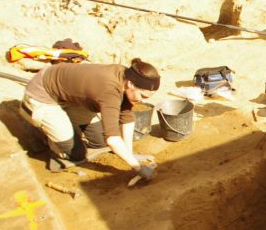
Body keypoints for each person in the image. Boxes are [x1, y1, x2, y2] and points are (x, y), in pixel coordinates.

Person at [20, 58, 161, 181]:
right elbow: (112, 139)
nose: (142, 101)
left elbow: (126, 117)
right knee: (76, 153)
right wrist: (138, 168)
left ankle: (63, 120)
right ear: (130, 84)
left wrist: (130, 154)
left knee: (98, 141)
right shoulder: (109, 91)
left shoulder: (126, 77)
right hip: (43, 95)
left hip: (70, 97)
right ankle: (38, 127)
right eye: (143, 96)